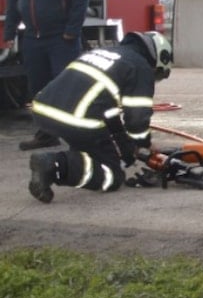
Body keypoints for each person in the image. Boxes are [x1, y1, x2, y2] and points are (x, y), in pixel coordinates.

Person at [27, 31, 173, 203]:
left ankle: (57, 166)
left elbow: (109, 113)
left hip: (43, 110)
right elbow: (137, 118)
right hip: (76, 119)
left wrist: (127, 150)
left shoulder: (105, 53)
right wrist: (143, 144)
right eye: (157, 74)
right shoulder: (140, 66)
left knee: (89, 151)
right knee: (112, 175)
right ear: (158, 58)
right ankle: (55, 164)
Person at [4, 0, 90, 151]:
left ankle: (77, 136)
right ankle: (46, 134)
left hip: (61, 39)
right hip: (32, 39)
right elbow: (13, 0)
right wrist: (9, 31)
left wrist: (72, 32)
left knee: (65, 87)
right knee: (38, 89)